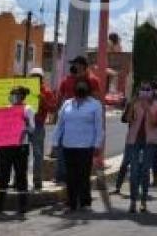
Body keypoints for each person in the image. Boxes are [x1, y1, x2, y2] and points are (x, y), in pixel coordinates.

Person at [53, 77, 104, 212]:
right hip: (68, 145)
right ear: (74, 88)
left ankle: (85, 202)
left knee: (83, 175)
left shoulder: (95, 105)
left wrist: (97, 145)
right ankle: (71, 203)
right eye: (79, 85)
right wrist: (54, 142)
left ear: (88, 89)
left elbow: (99, 127)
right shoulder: (67, 104)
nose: (81, 87)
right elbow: (60, 125)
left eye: (84, 85)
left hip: (86, 147)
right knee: (70, 176)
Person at [54, 56, 102, 184]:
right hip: (69, 117)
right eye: (74, 64)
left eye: (76, 64)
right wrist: (58, 113)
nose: (74, 66)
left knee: (82, 157)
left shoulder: (92, 80)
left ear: (82, 65)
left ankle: (79, 182)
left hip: (85, 121)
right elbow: (60, 97)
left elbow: (97, 100)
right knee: (63, 147)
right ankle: (62, 176)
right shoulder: (68, 80)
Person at [0, 86, 36, 215]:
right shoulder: (6, 109)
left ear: (22, 97)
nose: (13, 97)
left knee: (21, 176)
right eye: (11, 94)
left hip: (20, 147)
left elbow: (32, 129)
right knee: (3, 176)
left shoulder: (28, 109)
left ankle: (22, 207)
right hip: (5, 146)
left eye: (15, 94)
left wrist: (25, 122)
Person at [120, 81, 157, 213]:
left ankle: (143, 201)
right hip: (134, 141)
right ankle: (133, 201)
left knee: (145, 171)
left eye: (148, 90)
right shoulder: (134, 103)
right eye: (143, 90)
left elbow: (155, 122)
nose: (145, 93)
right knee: (134, 172)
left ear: (152, 92)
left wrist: (148, 109)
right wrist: (132, 105)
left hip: (150, 142)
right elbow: (128, 119)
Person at [28, 67, 57, 191]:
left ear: (41, 79)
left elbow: (53, 108)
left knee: (38, 155)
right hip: (23, 126)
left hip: (38, 126)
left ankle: (37, 181)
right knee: (20, 154)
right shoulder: (24, 89)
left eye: (37, 77)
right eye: (33, 76)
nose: (35, 79)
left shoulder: (47, 92)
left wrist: (42, 99)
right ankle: (18, 180)